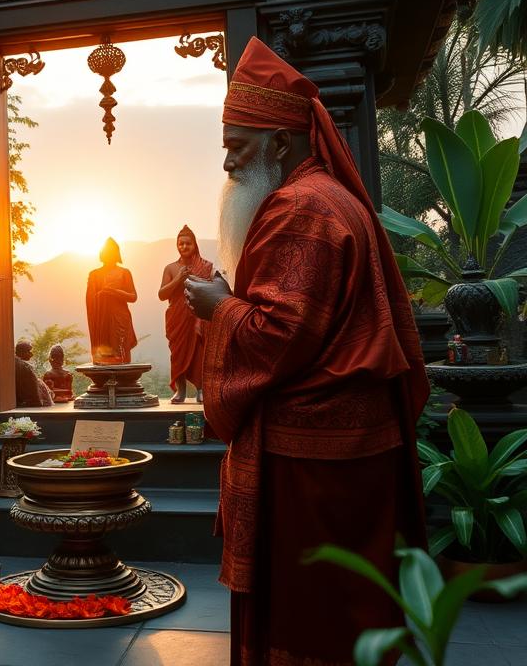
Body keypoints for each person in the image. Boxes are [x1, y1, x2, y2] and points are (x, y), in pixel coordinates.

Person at [184, 37, 427, 666]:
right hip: (349, 450)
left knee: (308, 614)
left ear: (280, 142)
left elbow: (277, 336)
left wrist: (218, 307)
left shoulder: (300, 208)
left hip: (311, 461)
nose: (229, 164)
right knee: (347, 607)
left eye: (237, 147)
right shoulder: (330, 199)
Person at [158, 225, 213, 403]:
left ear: (194, 245)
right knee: (178, 353)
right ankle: (180, 390)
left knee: (200, 352)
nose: (184, 247)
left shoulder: (205, 266)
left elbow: (211, 291)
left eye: (187, 243)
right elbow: (162, 294)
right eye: (180, 244)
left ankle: (201, 389)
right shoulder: (171, 268)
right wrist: (178, 279)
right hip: (177, 317)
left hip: (198, 315)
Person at [86, 237, 138, 364]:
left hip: (120, 319)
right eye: (107, 251)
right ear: (102, 253)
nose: (110, 254)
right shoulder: (94, 274)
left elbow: (133, 297)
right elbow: (90, 299)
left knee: (122, 353)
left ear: (117, 253)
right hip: (101, 320)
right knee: (104, 356)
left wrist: (116, 292)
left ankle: (125, 379)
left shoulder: (124, 272)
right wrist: (102, 294)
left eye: (113, 251)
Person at [14, 339, 53, 407]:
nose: (31, 354)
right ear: (21, 352)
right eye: (28, 351)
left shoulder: (12, 364)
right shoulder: (26, 367)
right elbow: (35, 393)